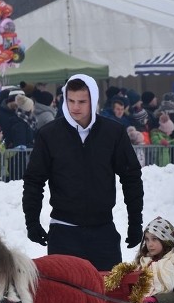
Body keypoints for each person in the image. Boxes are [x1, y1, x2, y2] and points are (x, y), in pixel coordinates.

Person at [23, 73, 144, 271]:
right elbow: (33, 181)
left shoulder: (113, 133)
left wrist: (135, 222)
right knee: (67, 299)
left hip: (103, 232)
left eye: (82, 101)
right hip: (63, 233)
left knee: (108, 297)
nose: (75, 107)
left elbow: (131, 177)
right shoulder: (49, 135)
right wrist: (32, 222)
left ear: (93, 100)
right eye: (70, 100)